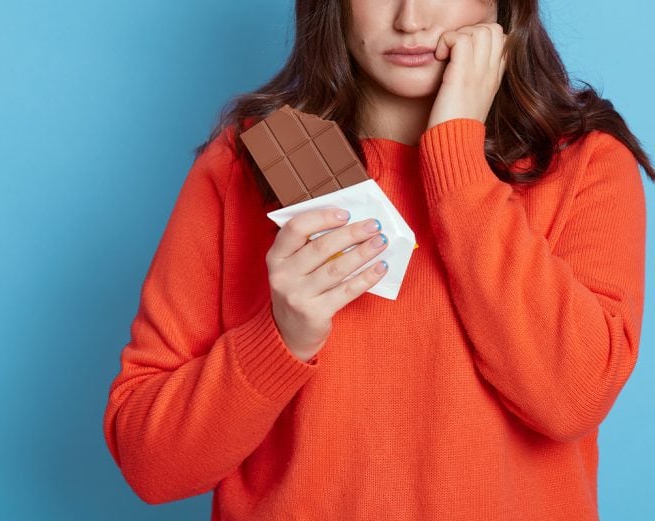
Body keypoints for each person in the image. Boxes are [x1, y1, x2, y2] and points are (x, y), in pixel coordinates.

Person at [103, 0, 653, 519]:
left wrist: (456, 153)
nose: (410, 19)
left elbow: (572, 400)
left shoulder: (584, 163)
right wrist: (280, 338)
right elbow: (152, 467)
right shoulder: (243, 165)